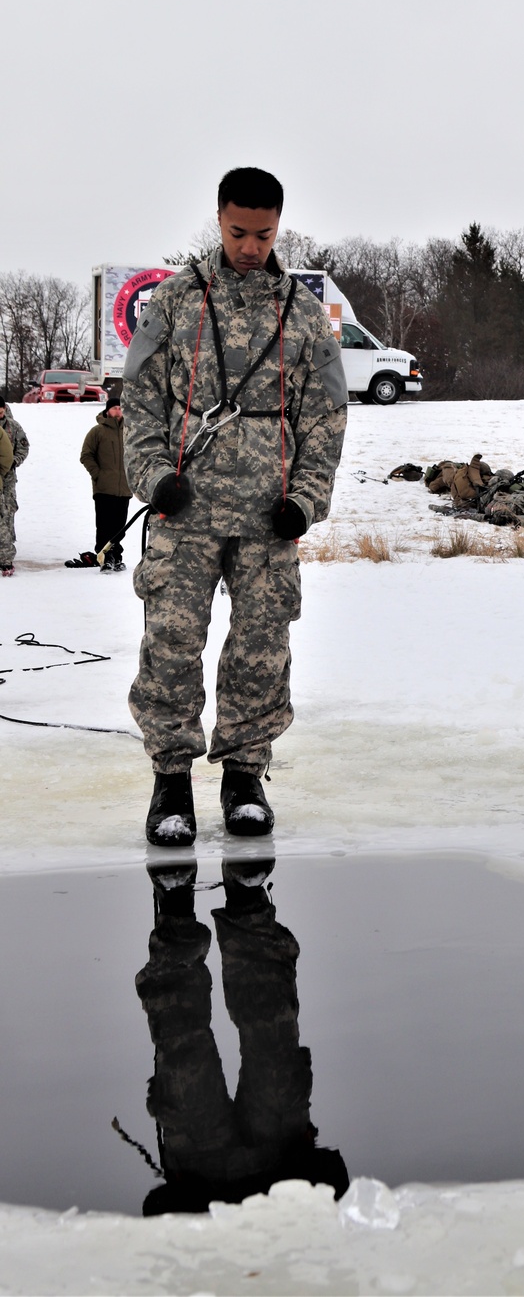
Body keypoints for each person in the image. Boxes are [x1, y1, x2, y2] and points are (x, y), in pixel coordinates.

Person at [122, 166, 348, 847]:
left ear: (280, 227)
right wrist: (155, 477)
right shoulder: (174, 303)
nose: (251, 246)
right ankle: (171, 781)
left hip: (266, 517)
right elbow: (140, 400)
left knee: (260, 647)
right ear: (219, 219)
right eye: (239, 232)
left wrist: (305, 502)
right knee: (171, 644)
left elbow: (326, 416)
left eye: (264, 234)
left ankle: (245, 776)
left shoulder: (304, 315)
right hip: (185, 511)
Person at [136, 858, 349, 1214]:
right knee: (270, 1038)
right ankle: (245, 901)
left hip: (202, 1173)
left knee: (183, 1048)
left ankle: (179, 908)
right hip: (281, 1160)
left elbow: (156, 1208)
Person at [80, 392, 131, 570]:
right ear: (107, 411)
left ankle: (116, 556)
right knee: (104, 526)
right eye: (114, 408)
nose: (118, 411)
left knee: (120, 527)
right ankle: (104, 556)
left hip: (124, 488)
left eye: (120, 408)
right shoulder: (97, 431)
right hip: (104, 488)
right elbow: (86, 455)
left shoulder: (130, 431)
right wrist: (98, 475)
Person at [0, 396, 30, 577]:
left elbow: (24, 447)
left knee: (8, 509)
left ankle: (6, 548)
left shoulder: (13, 426)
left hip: (8, 475)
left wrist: (14, 462)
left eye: (2, 409)